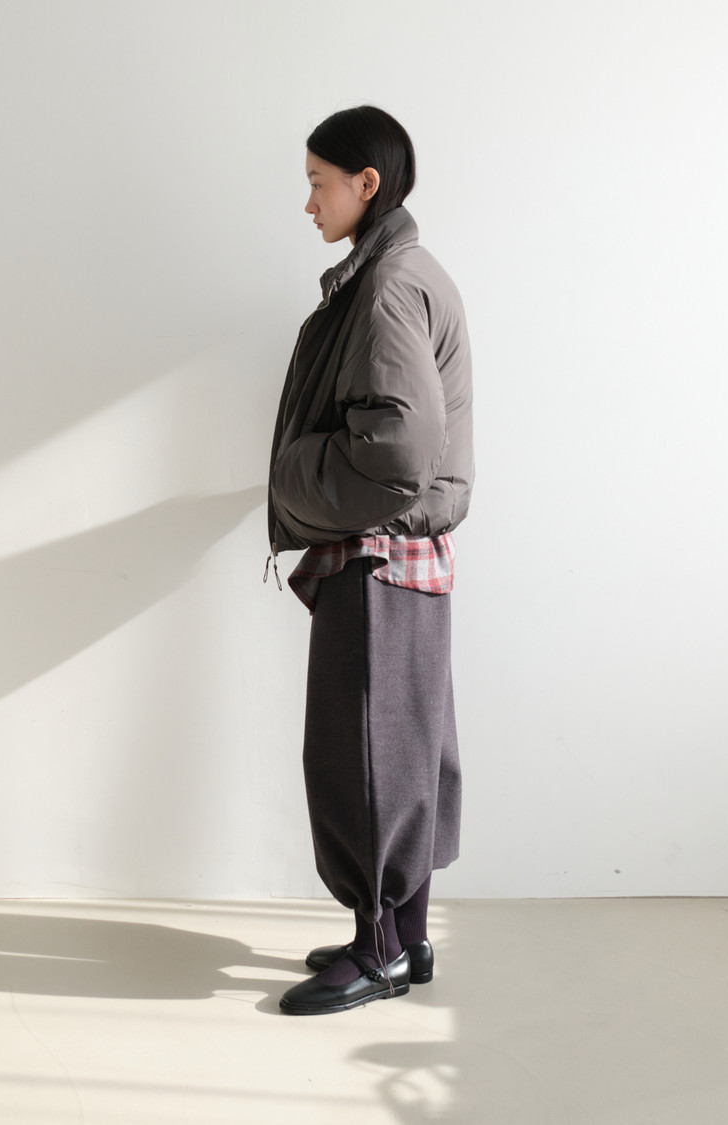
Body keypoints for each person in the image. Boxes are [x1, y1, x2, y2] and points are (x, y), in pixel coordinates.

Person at [266, 105, 474, 1015]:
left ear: (367, 183)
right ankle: (407, 935)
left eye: (319, 183)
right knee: (408, 750)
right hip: (410, 556)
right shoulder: (408, 271)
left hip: (377, 558)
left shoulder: (387, 284)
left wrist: (297, 470)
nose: (309, 202)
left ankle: (378, 951)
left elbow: (398, 451)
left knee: (363, 758)